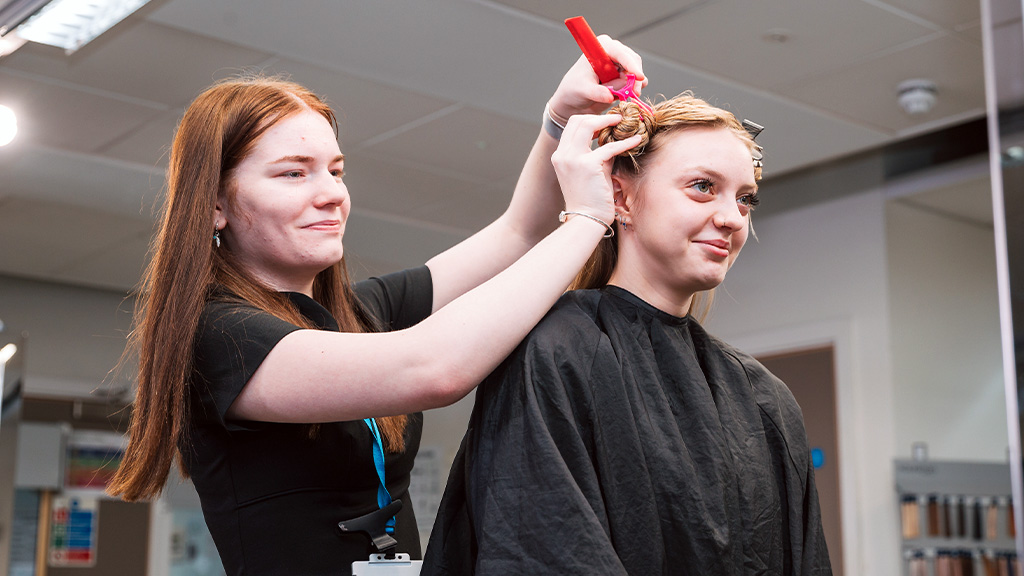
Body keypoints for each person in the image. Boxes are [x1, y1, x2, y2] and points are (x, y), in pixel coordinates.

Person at [105, 37, 648, 575]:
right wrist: (587, 220)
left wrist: (562, 115)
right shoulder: (220, 337)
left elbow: (520, 231)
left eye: (335, 171)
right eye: (294, 173)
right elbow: (436, 369)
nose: (331, 194)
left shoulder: (363, 315)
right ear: (216, 205)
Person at [422, 93, 833, 575]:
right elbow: (541, 546)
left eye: (746, 198)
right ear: (621, 198)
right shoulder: (554, 351)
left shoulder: (765, 398)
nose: (732, 218)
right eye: (703, 187)